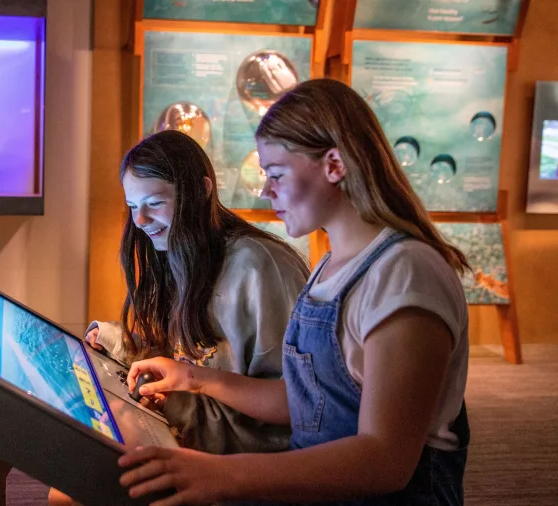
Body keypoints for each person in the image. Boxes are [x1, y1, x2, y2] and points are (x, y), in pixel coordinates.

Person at [118, 78, 472, 506]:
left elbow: (385, 460)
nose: (267, 191)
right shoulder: (331, 267)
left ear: (335, 165)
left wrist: (223, 474)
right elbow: (304, 402)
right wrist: (194, 378)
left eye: (277, 174)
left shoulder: (406, 273)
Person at [47, 129, 311, 505]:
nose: (139, 219)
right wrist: (115, 344)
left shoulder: (258, 267)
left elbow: (288, 411)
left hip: (251, 469)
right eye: (132, 205)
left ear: (200, 192)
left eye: (154, 202)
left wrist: (180, 395)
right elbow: (183, 354)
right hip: (201, 444)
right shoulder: (176, 253)